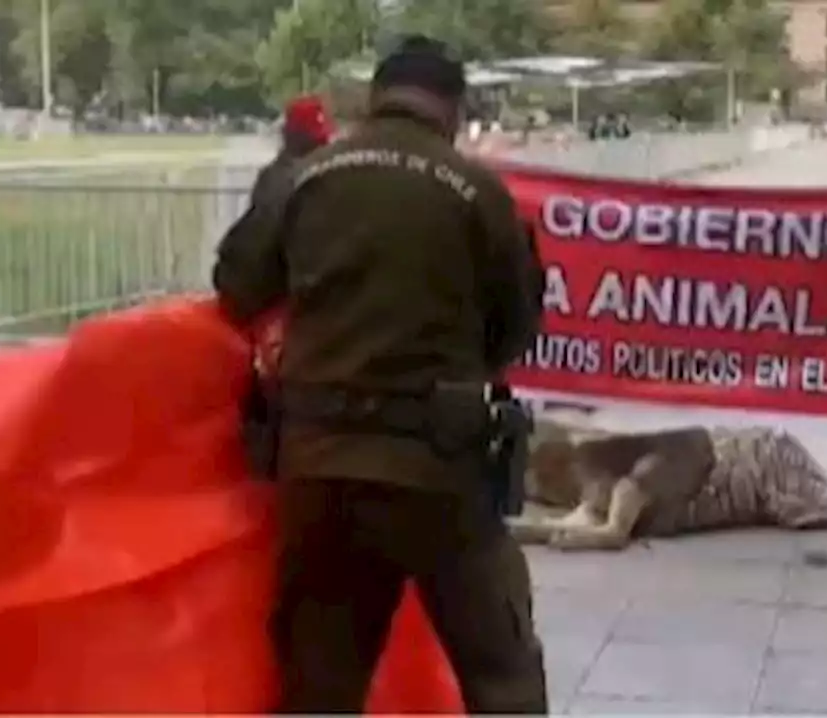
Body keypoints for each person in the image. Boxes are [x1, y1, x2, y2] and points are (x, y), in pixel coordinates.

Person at [211, 35, 548, 713]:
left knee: (320, 684)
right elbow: (515, 327)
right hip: (439, 473)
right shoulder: (479, 191)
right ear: (452, 109)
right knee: (501, 672)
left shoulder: (307, 176)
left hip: (320, 466)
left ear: (374, 99)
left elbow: (236, 286)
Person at [250, 94, 335, 206]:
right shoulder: (275, 180)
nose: (320, 150)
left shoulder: (328, 177)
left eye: (322, 143)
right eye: (312, 144)